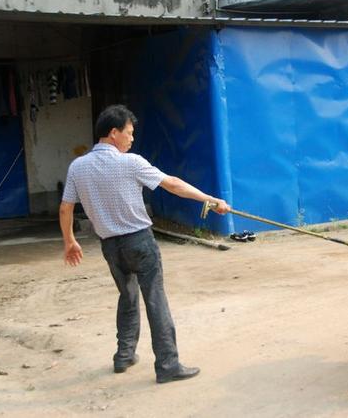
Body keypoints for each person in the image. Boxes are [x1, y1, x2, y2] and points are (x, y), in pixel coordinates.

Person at [59, 104, 230, 384]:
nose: (132, 138)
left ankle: (124, 355)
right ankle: (168, 364)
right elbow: (172, 184)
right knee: (155, 299)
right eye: (129, 132)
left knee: (127, 296)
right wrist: (211, 200)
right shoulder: (131, 163)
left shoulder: (78, 167)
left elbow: (66, 208)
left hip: (110, 247)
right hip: (139, 241)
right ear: (113, 133)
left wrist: (70, 241)